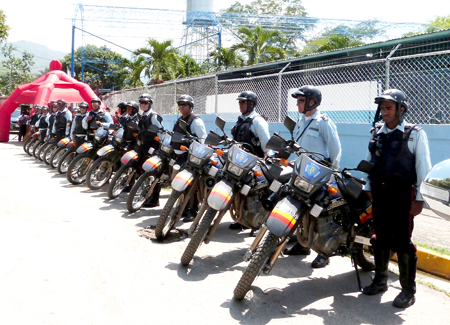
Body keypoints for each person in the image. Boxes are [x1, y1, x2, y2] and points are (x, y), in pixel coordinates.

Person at [361, 89, 431, 309]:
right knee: (380, 238)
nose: (384, 112)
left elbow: (423, 168)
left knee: (402, 243)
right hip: (380, 194)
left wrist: (419, 199)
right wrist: (367, 186)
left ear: (401, 109)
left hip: (403, 196)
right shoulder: (376, 132)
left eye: (389, 108)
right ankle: (380, 280)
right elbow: (369, 160)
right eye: (382, 108)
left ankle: (408, 291)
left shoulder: (414, 133)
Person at [283, 85, 342, 270]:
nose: (298, 104)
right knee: (301, 209)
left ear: (311, 102)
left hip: (319, 175)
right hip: (302, 172)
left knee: (319, 214)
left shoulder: (323, 122)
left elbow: (336, 150)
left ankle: (323, 253)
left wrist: (332, 175)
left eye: (301, 100)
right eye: (298, 101)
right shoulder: (301, 121)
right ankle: (302, 245)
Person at [228, 91, 272, 231]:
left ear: (251, 104)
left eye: (243, 102)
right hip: (240, 162)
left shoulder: (257, 121)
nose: (240, 105)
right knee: (240, 192)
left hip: (255, 163)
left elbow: (267, 142)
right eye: (239, 102)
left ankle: (258, 224)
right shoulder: (241, 119)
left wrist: (267, 156)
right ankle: (242, 219)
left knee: (256, 194)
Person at [172, 94, 207, 221]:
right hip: (179, 157)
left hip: (190, 158)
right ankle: (182, 208)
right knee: (179, 184)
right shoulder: (180, 119)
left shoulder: (196, 121)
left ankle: (192, 211)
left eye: (184, 104)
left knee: (191, 186)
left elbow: (202, 139)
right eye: (180, 104)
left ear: (190, 106)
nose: (181, 107)